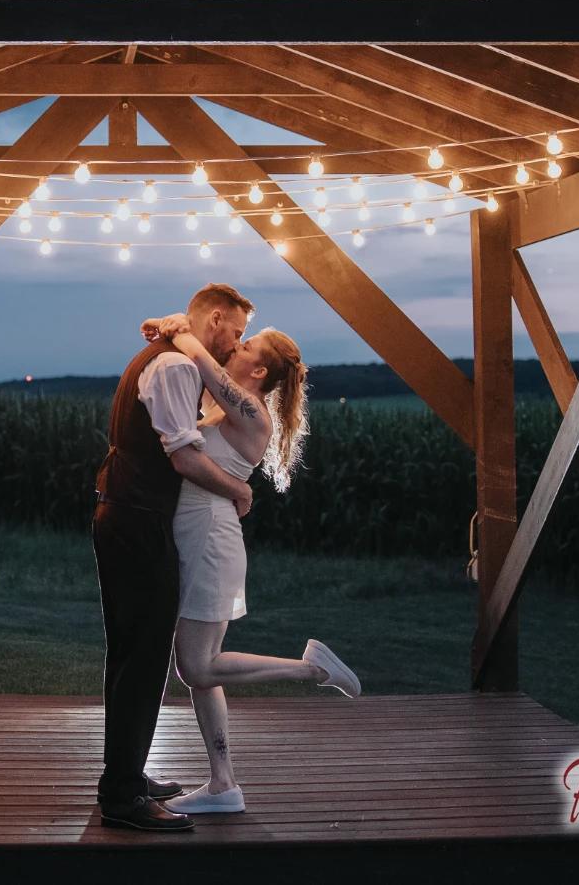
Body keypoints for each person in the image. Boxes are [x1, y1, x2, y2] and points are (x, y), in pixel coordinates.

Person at [137, 310, 361, 816]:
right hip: (197, 537)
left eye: (245, 344)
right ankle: (223, 784)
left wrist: (182, 329)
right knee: (198, 666)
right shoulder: (224, 408)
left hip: (211, 540)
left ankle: (311, 670)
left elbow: (200, 356)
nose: (234, 347)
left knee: (196, 664)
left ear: (258, 372)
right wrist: (174, 328)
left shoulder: (251, 412)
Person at [91, 283, 257, 832]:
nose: (238, 342)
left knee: (134, 652)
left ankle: (127, 774)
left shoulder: (169, 356)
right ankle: (121, 797)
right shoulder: (176, 369)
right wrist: (237, 491)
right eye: (235, 330)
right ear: (214, 319)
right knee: (142, 657)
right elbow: (184, 457)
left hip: (130, 516)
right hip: (138, 520)